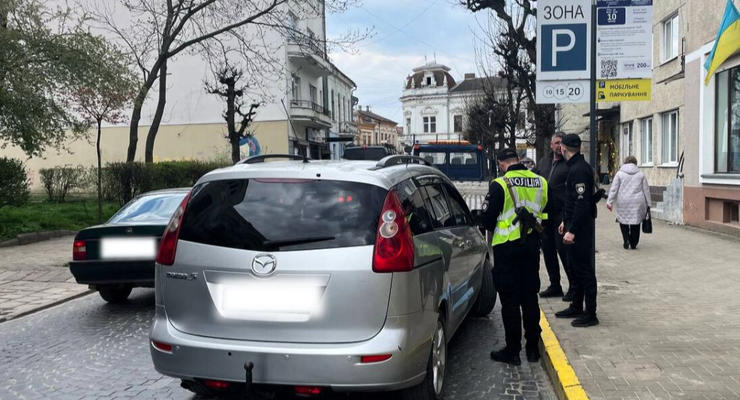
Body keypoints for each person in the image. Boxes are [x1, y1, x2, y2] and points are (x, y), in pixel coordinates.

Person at [481, 148, 549, 365]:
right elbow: (547, 209)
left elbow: (489, 221)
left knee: (510, 301)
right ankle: (532, 350)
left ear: (501, 163)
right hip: (531, 247)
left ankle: (512, 351)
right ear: (518, 160)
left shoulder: (500, 184)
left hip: (506, 248)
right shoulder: (541, 182)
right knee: (530, 296)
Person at [554, 134, 599, 327]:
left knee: (584, 271)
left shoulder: (579, 170)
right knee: (575, 268)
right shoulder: (575, 167)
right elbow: (572, 201)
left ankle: (590, 313)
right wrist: (565, 221)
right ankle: (576, 305)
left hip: (580, 229)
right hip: (573, 225)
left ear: (564, 148)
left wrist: (572, 229)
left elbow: (582, 203)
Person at [534, 133, 574, 301]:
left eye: (561, 143)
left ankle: (574, 286)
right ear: (551, 145)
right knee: (549, 252)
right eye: (556, 143)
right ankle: (555, 285)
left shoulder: (569, 164)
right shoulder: (544, 162)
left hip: (561, 215)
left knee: (564, 252)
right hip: (545, 216)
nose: (558, 146)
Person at [606, 156, 651, 250]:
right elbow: (646, 190)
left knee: (623, 220)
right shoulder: (640, 174)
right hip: (637, 202)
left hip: (623, 201)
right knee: (636, 221)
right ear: (635, 163)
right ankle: (634, 243)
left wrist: (609, 202)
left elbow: (614, 189)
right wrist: (649, 204)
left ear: (625, 163)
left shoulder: (619, 174)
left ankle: (626, 239)